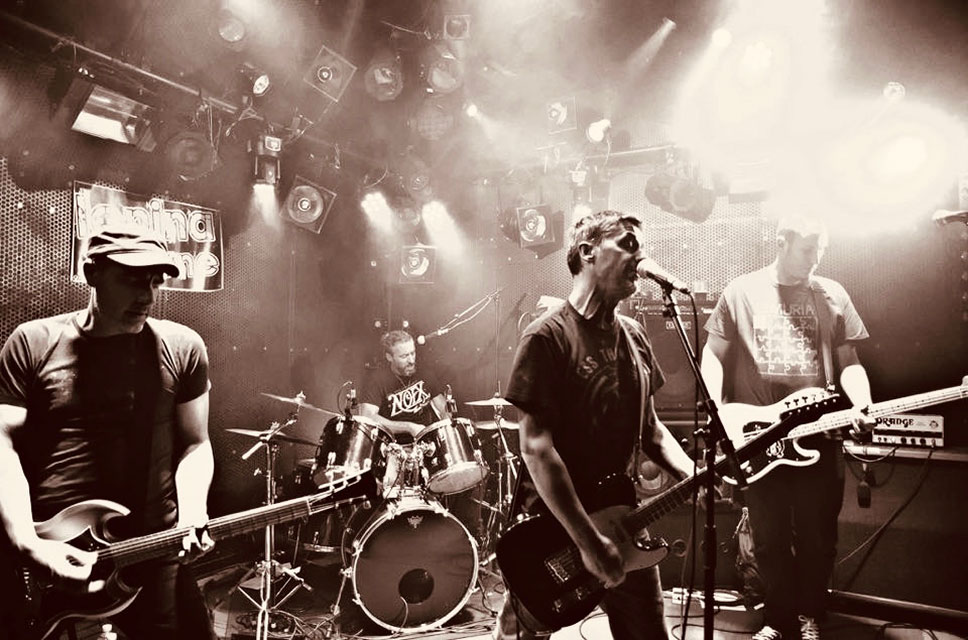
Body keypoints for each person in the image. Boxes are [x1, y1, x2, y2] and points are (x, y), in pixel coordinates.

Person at [0, 226, 216, 640]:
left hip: (152, 551)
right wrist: (27, 543)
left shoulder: (183, 347)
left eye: (154, 281)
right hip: (50, 551)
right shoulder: (32, 342)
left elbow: (196, 442)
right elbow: (2, 444)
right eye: (132, 279)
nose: (147, 296)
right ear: (91, 273)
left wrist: (192, 513)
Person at [494, 210, 695, 640]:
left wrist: (692, 473)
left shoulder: (635, 336)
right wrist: (587, 541)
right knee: (521, 632)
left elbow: (652, 430)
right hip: (555, 530)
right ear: (587, 251)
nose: (640, 256)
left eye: (642, 247)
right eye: (628, 243)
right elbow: (536, 448)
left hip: (623, 523)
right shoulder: (547, 336)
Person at [700, 214, 876, 640]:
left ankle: (810, 615)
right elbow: (713, 354)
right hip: (761, 438)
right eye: (807, 249)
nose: (815, 259)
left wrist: (862, 402)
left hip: (819, 435)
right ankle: (778, 620)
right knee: (769, 539)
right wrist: (717, 410)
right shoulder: (741, 291)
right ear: (781, 241)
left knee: (818, 537)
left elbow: (850, 363)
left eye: (821, 250)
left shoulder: (832, 294)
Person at [359, 330, 481, 537]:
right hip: (393, 452)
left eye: (413, 353)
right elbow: (368, 417)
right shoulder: (377, 379)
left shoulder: (425, 375)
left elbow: (442, 410)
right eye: (404, 356)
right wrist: (408, 426)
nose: (411, 360)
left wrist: (451, 422)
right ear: (389, 357)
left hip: (426, 449)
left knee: (467, 477)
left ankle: (461, 536)